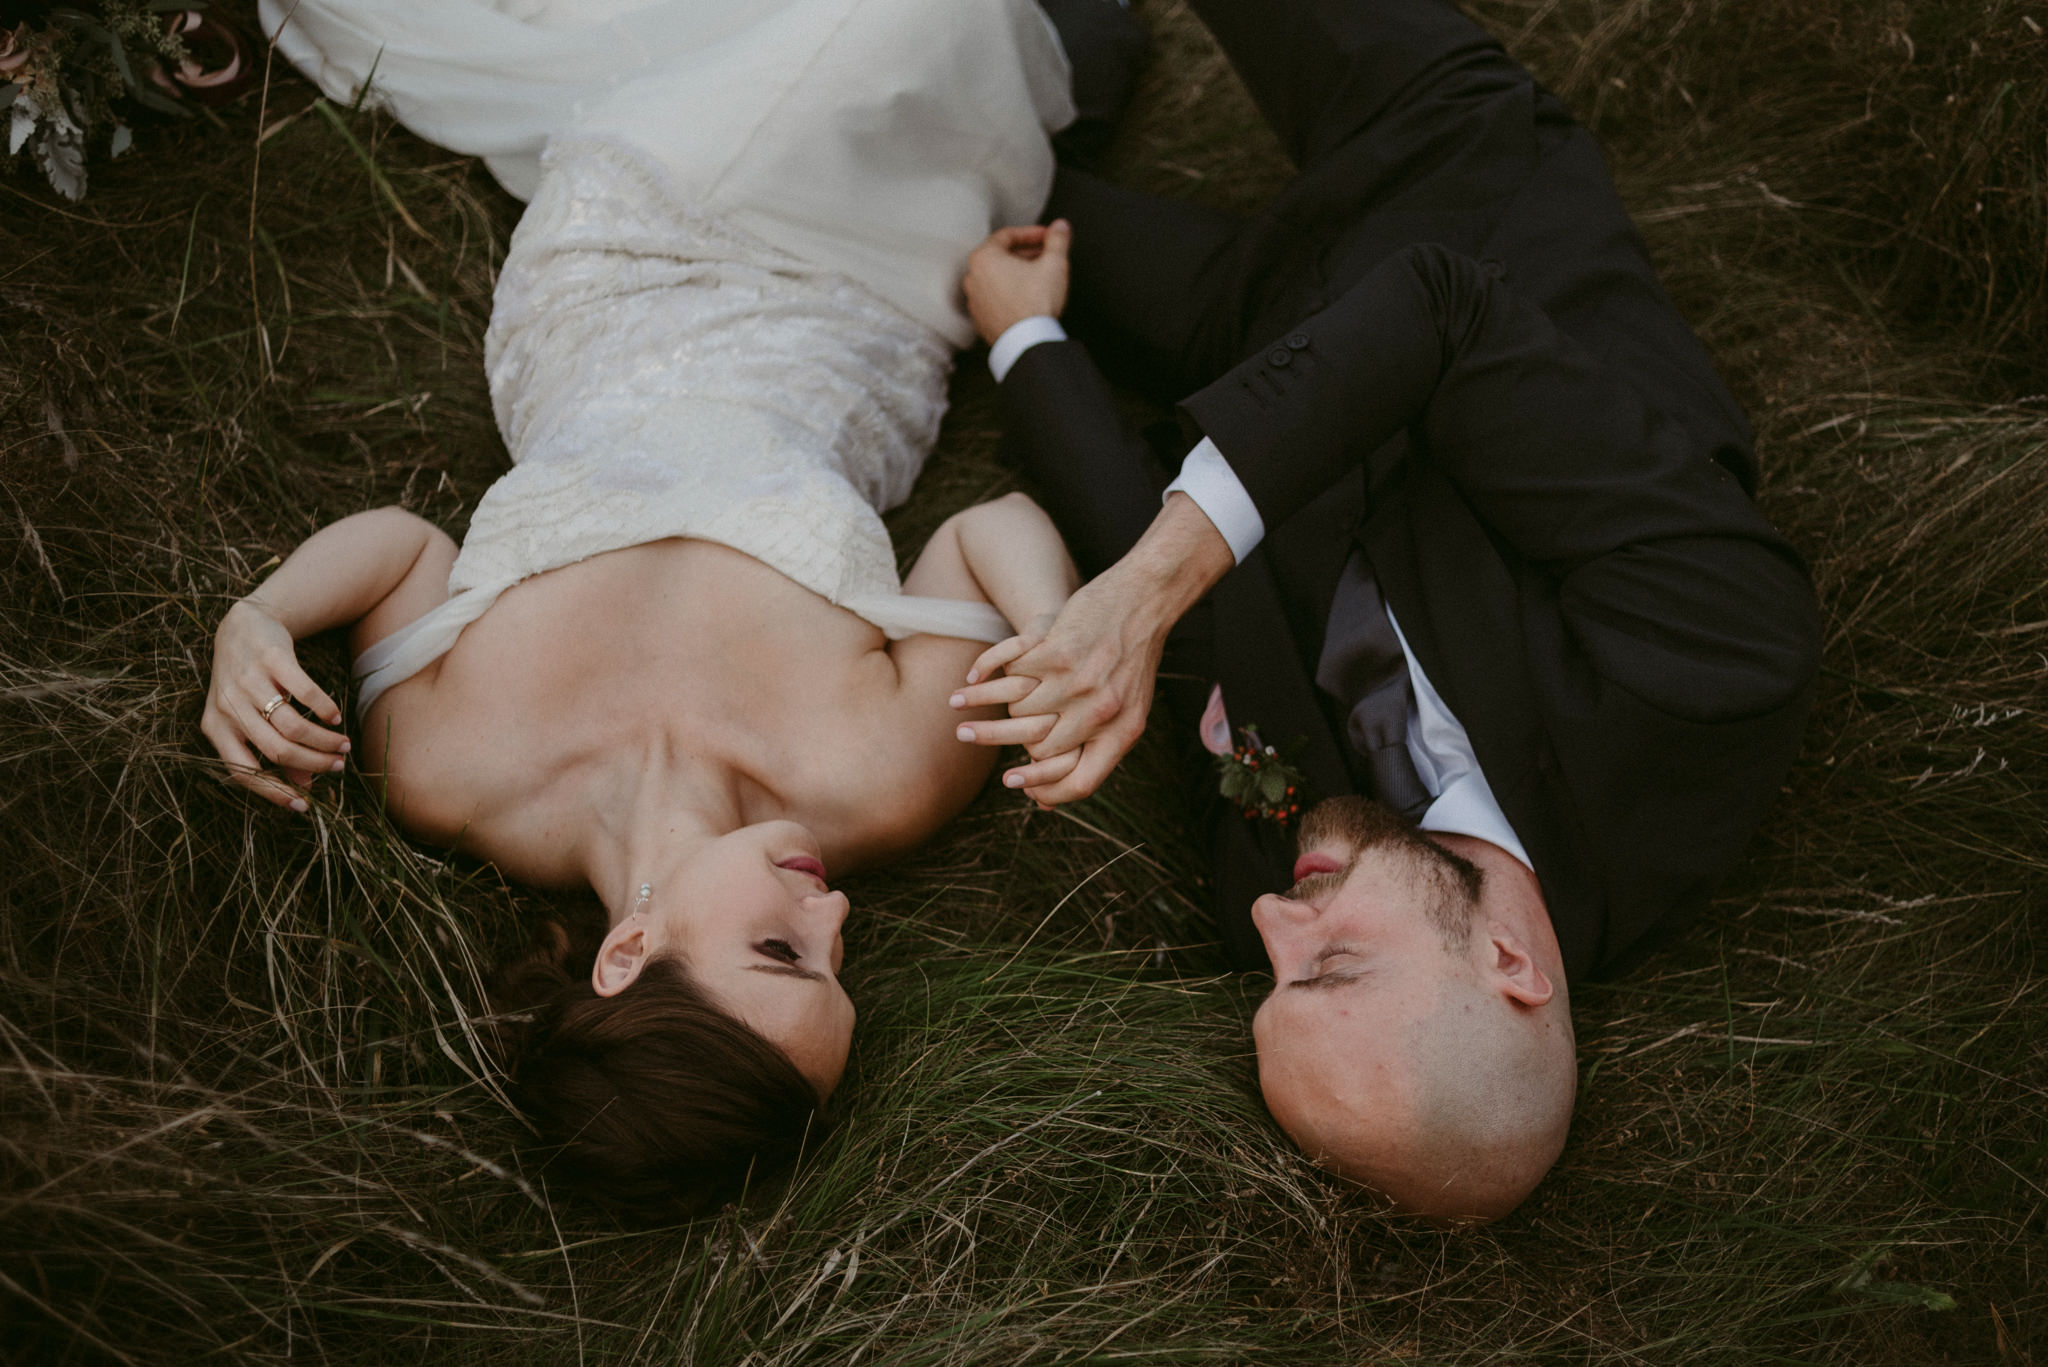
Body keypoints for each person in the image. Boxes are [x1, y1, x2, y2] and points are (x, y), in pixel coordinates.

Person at [200, 0, 1145, 1217]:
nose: (837, 911)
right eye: (835, 962)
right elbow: (985, 533)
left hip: (609, 282)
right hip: (860, 315)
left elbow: (399, 555)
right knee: (973, 37)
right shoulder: (877, 781)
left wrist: (260, 617)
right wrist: (1060, 627)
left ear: (624, 954)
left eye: (780, 948)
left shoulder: (450, 773)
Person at [953, 0, 1822, 1220]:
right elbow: (1436, 308)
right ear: (1511, 962)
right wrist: (1138, 598)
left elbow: (1205, 649)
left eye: (1271, 975)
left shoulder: (1284, 870)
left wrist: (1028, 342)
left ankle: (1082, 50)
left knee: (927, 175)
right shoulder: (1713, 673)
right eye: (1331, 963)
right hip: (1450, 181)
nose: (1266, 919)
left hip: (1247, 328)